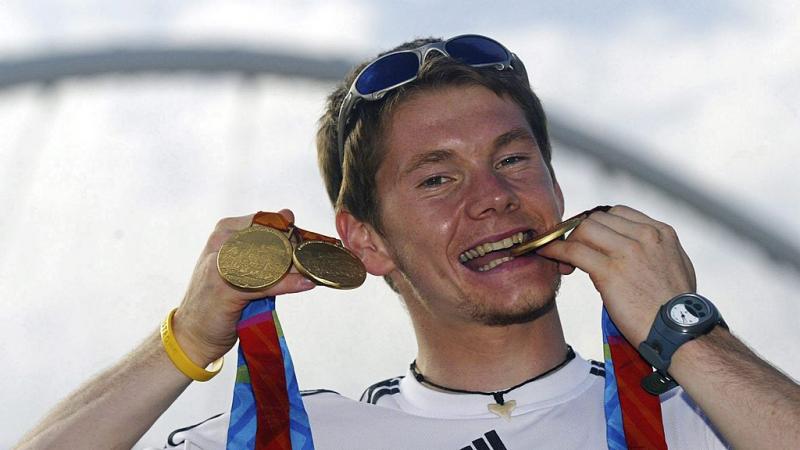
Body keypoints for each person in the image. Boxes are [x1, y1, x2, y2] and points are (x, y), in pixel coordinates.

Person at [16, 35, 800, 450]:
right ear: (367, 243)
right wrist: (186, 340)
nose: (493, 197)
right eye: (437, 179)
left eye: (514, 159)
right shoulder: (291, 437)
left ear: (559, 190)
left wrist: (685, 332)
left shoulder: (704, 422)